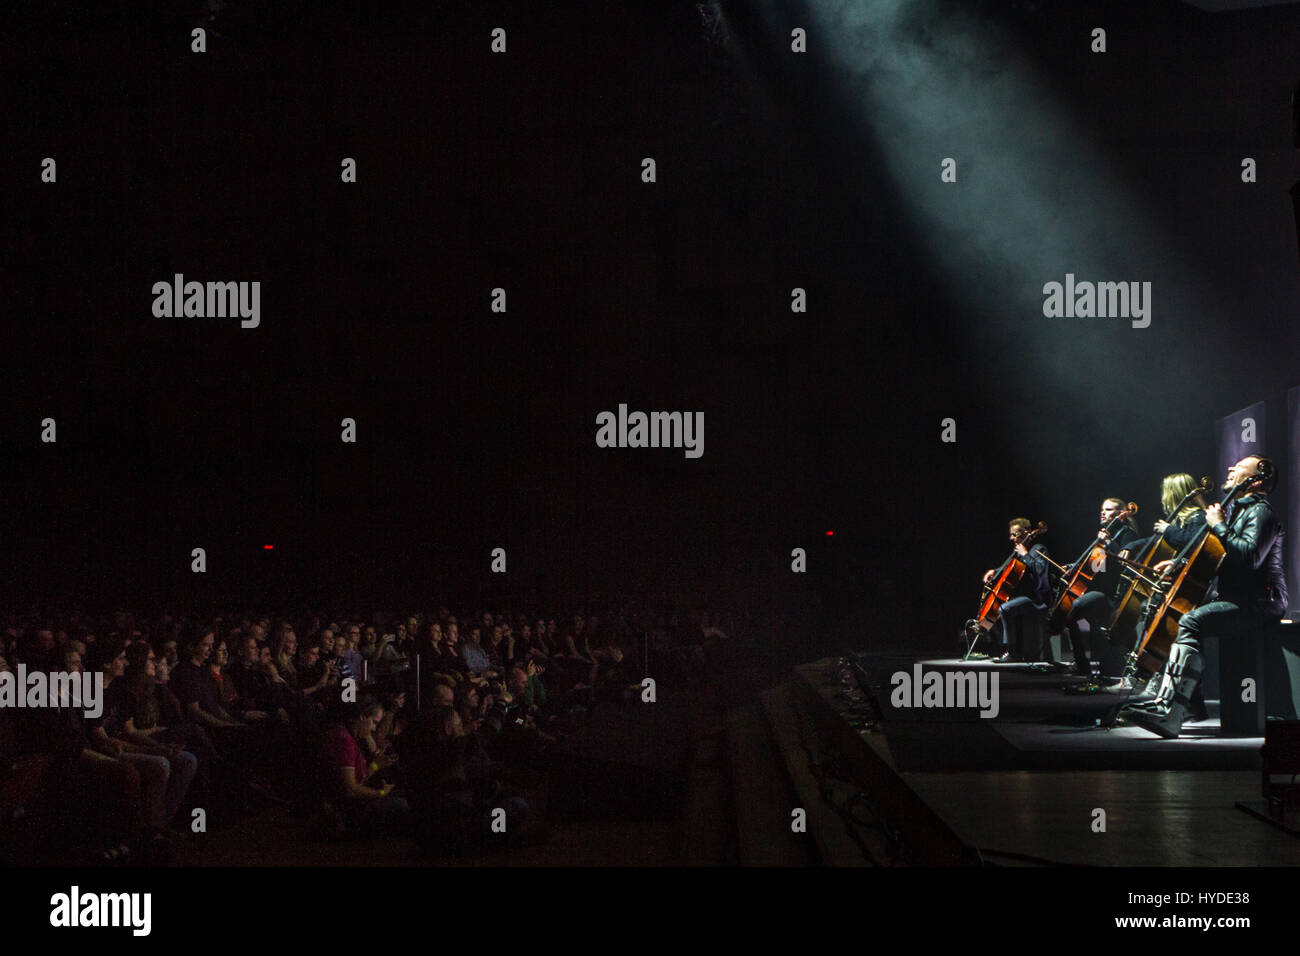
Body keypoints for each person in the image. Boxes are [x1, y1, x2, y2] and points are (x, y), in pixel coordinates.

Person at [1122, 456, 1286, 738]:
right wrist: (1179, 566)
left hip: (1260, 602)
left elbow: (1248, 559)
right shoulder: (1240, 510)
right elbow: (1222, 557)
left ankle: (1172, 712)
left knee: (1191, 621)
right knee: (1183, 616)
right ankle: (1175, 705)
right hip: (1242, 598)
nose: (1231, 469)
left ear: (1256, 480)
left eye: (1239, 467)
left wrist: (1219, 525)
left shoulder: (1261, 512)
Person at [1061, 498, 1140, 683]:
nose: (1103, 512)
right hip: (1101, 589)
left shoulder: (1127, 533)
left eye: (1109, 509)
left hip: (1114, 594)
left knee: (1076, 608)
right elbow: (1096, 566)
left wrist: (1108, 543)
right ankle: (1082, 664)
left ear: (1121, 513)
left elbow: (1123, 564)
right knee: (1071, 614)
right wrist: (1075, 567)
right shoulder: (1107, 533)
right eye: (1102, 509)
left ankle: (1083, 664)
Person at [982, 518, 1052, 662]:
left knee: (1004, 609)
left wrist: (1025, 554)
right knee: (992, 611)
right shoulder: (1018, 552)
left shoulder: (1039, 549)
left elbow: (1040, 571)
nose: (1011, 538)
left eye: (1014, 534)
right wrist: (995, 571)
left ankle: (1012, 652)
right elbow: (1009, 568)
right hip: (1020, 597)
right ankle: (1004, 649)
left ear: (1026, 533)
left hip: (1036, 599)